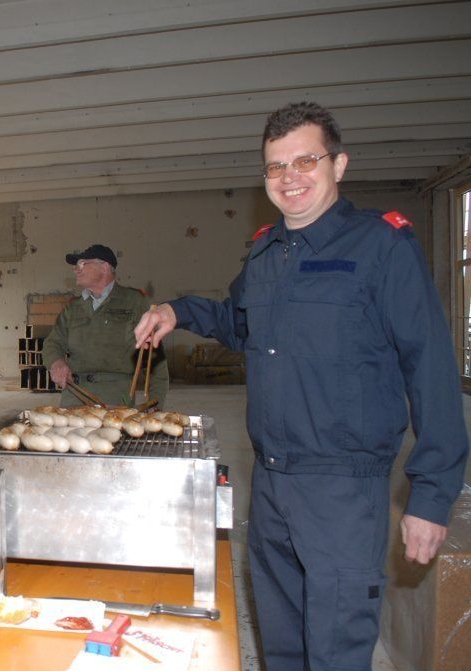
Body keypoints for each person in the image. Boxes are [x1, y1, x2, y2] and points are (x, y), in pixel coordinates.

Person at [133, 101, 469, 671]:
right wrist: (177, 310)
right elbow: (238, 323)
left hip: (343, 489)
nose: (290, 176)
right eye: (276, 166)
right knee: (281, 643)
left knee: (336, 648)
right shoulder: (266, 252)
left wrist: (432, 496)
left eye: (305, 161)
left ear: (338, 164)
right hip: (270, 483)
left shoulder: (381, 246)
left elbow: (430, 367)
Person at [43, 244, 168, 408]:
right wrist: (56, 362)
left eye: (82, 263)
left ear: (105, 267)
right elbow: (53, 342)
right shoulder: (73, 308)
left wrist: (155, 404)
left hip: (115, 397)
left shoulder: (134, 302)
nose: (76, 269)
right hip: (74, 395)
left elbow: (154, 357)